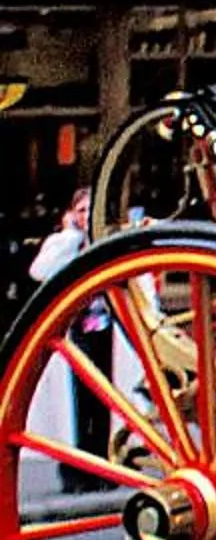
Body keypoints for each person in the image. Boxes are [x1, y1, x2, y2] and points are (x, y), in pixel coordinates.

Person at [25, 189, 110, 495]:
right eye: (82, 210)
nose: (87, 216)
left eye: (92, 209)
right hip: (73, 332)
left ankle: (103, 465)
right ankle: (74, 472)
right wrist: (71, 238)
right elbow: (39, 271)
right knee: (75, 408)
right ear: (73, 214)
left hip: (104, 327)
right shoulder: (62, 243)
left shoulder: (106, 240)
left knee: (101, 402)